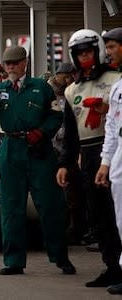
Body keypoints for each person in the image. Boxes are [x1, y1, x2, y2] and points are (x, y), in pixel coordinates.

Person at [0, 45, 76, 276]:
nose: (11, 67)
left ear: (25, 62)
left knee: (50, 205)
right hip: (11, 148)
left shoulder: (41, 87)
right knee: (11, 208)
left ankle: (60, 256)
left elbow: (56, 115)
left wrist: (43, 132)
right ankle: (14, 260)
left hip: (39, 150)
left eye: (15, 63)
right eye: (8, 64)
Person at [64, 29, 122, 288]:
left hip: (112, 148)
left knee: (117, 212)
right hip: (86, 154)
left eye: (89, 52)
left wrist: (106, 108)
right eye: (80, 54)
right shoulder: (71, 90)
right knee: (97, 216)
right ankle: (111, 265)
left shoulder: (116, 80)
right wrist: (66, 163)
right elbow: (70, 131)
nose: (85, 57)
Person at [94, 27, 122, 295]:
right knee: (121, 218)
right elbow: (112, 128)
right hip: (119, 157)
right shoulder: (117, 88)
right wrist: (105, 163)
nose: (109, 52)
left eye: (112, 47)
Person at [50, 63, 85, 245]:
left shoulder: (72, 92)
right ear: (59, 75)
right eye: (66, 77)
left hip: (69, 148)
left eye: (71, 77)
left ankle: (75, 230)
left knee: (73, 192)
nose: (69, 80)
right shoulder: (49, 93)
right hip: (52, 148)